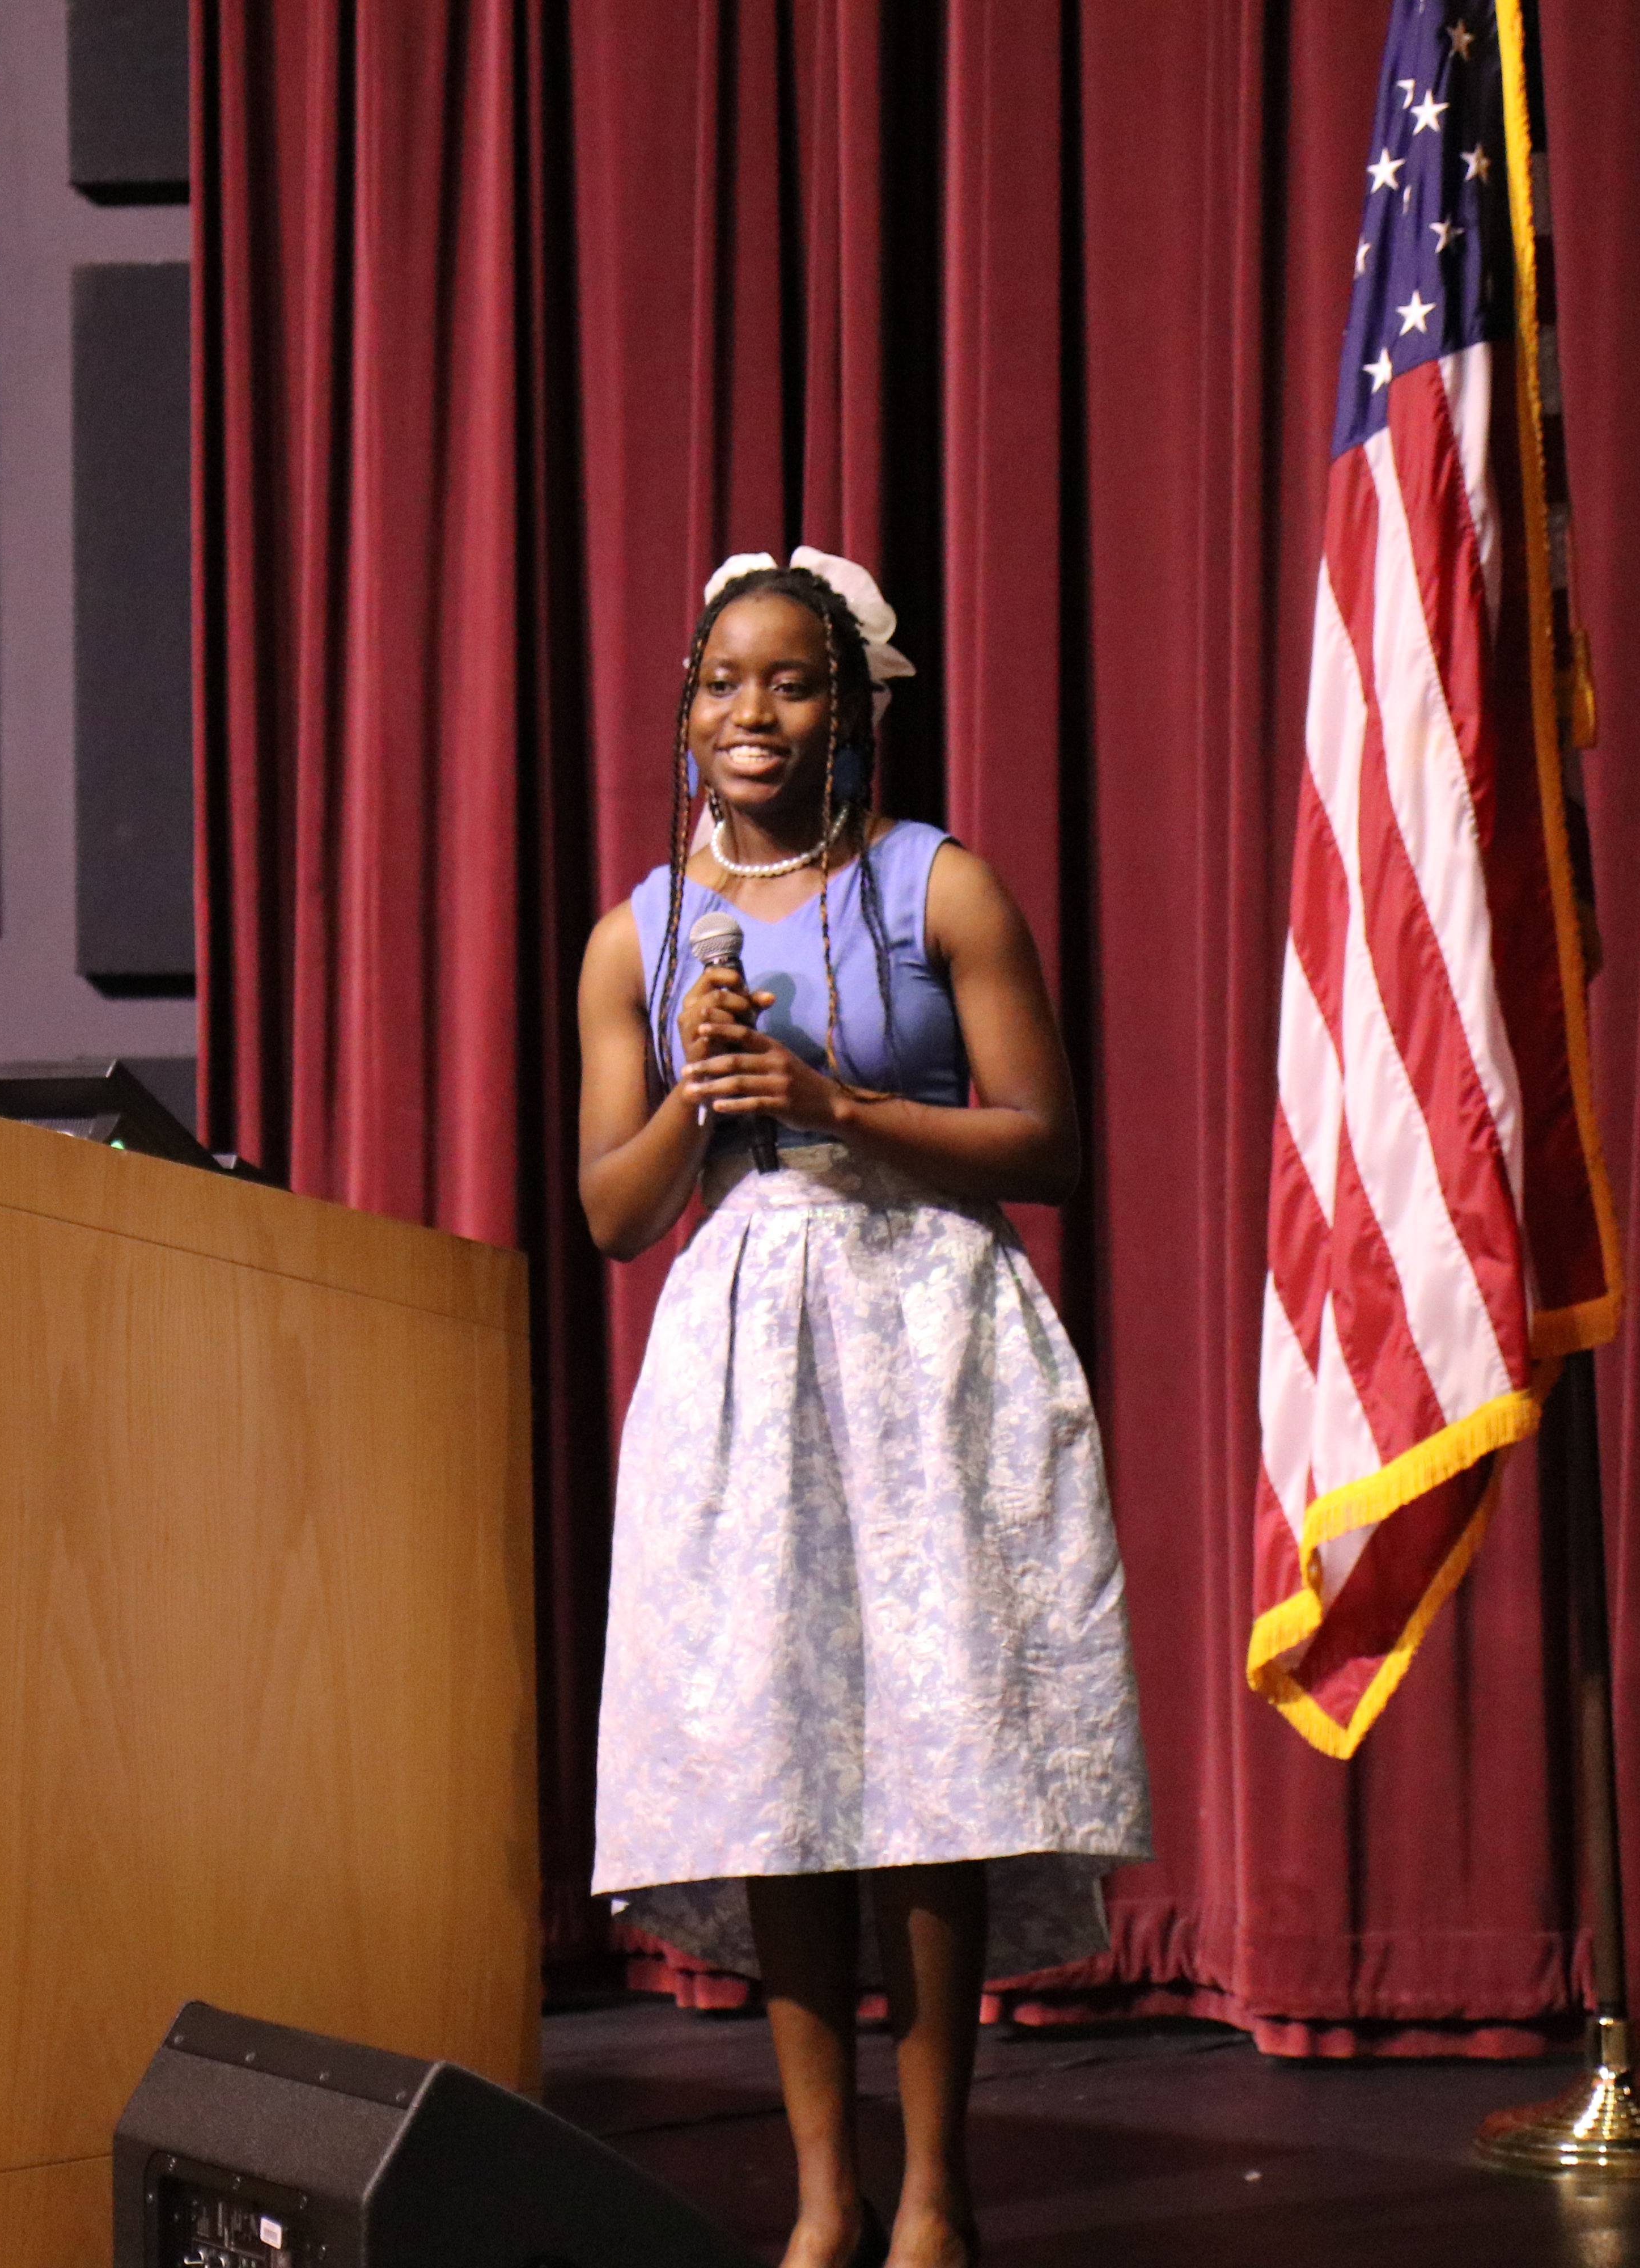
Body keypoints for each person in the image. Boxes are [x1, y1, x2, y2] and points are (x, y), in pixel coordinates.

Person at [574, 549, 1150, 2268]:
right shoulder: (641, 928)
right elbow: (614, 1215)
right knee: (780, 1769)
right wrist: (698, 1093)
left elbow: (1047, 1144)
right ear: (686, 711)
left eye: (794, 684)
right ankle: (824, 2200)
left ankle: (933, 2195)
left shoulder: (938, 887)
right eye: (723, 684)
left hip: (932, 1336)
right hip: (745, 1354)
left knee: (934, 1764)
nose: (754, 715)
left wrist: (834, 1094)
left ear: (856, 708)